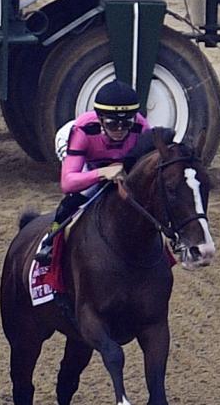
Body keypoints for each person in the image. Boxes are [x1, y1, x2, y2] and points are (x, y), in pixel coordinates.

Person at [32, 87, 150, 296]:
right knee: (81, 197)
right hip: (87, 157)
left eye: (126, 123)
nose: (121, 129)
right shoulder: (84, 130)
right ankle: (50, 241)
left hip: (120, 159)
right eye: (113, 124)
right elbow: (68, 182)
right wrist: (102, 173)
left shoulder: (141, 127)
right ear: (101, 120)